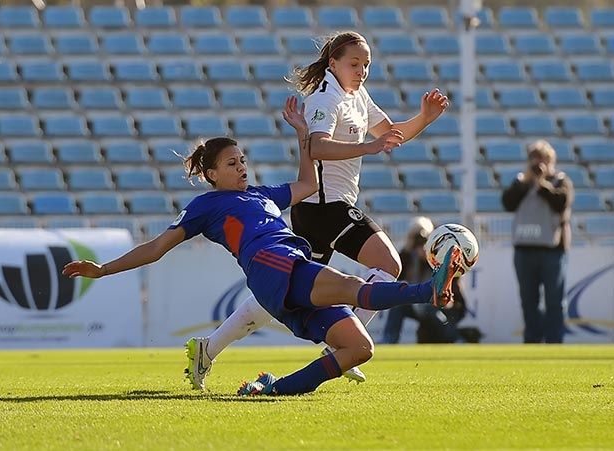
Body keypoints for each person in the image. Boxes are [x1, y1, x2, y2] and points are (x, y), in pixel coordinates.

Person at [62, 97, 463, 396]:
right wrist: (103, 269)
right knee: (348, 285)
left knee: (359, 348)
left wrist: (303, 134)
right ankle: (430, 290)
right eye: (232, 163)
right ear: (211, 173)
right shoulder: (205, 206)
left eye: (242, 160)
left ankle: (270, 389)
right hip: (272, 265)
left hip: (283, 275)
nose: (242, 167)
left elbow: (309, 185)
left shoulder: (262, 194)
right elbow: (156, 248)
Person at [185, 30, 450, 389]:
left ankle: (208, 348)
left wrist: (424, 118)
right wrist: (370, 148)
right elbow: (319, 147)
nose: (362, 71)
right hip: (324, 206)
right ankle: (341, 341)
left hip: (325, 208)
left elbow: (391, 134)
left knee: (278, 296)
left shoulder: (357, 96)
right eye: (354, 63)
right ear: (333, 63)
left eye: (366, 64)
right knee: (389, 264)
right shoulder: (326, 98)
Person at [501, 139, 574, 343]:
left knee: (554, 300)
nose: (538, 164)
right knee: (528, 301)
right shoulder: (521, 182)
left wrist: (541, 183)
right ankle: (532, 341)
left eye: (543, 159)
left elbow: (561, 203)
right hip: (524, 249)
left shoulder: (561, 181)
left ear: (551, 161)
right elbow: (507, 203)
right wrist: (528, 181)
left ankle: (554, 342)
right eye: (534, 159)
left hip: (552, 250)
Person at [382, 217, 467, 344]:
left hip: (444, 305)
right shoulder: (410, 258)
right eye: (418, 244)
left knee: (432, 310)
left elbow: (454, 296)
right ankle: (389, 339)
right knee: (398, 306)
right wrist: (408, 247)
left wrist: (430, 259)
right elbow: (396, 273)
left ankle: (456, 339)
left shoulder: (444, 259)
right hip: (420, 303)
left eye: (425, 244)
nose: (421, 248)